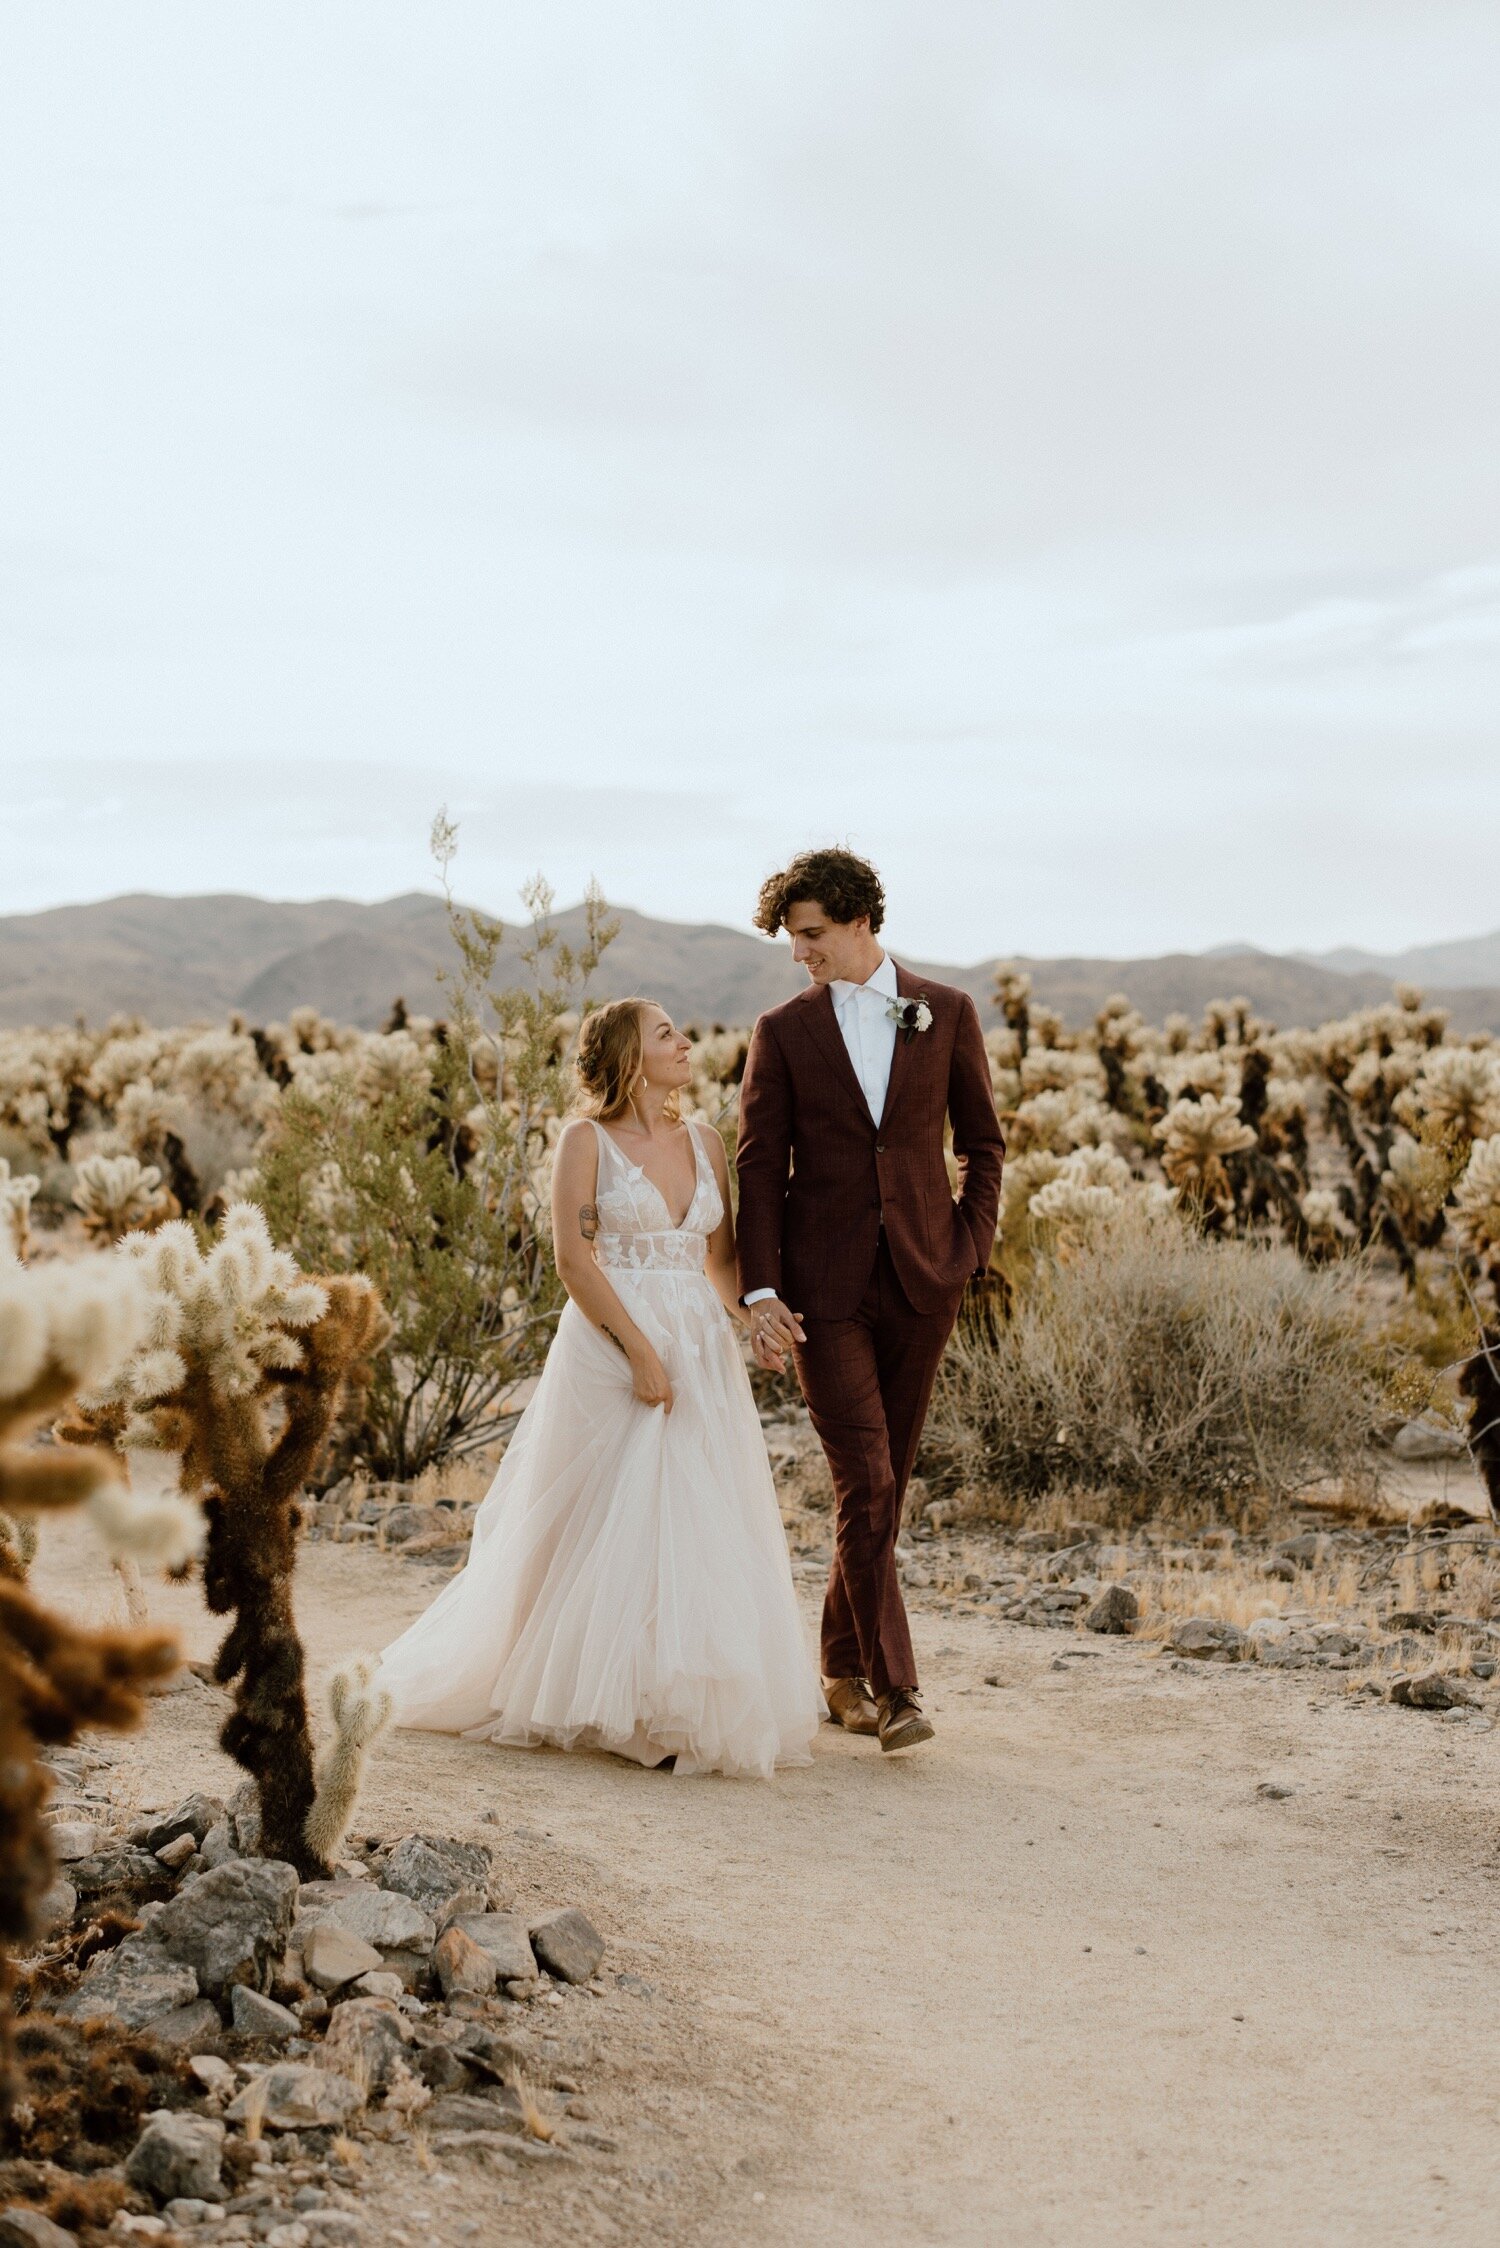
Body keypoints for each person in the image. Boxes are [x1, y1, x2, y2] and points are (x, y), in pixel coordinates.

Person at [374, 996, 821, 1779]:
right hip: (612, 1342)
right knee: (599, 1515)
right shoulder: (584, 1140)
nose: (685, 1043)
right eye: (666, 1035)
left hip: (698, 1344)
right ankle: (584, 1692)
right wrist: (641, 1352)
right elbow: (575, 1262)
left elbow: (717, 1261)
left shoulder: (708, 1142)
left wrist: (753, 1318)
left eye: (681, 1030)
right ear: (627, 1057)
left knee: (693, 1515)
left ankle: (669, 1698)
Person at [736, 848, 1004, 1752]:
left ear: (859, 922)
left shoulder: (949, 1011)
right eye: (790, 939)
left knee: (880, 1494)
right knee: (870, 1477)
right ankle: (898, 1693)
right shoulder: (783, 1031)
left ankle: (838, 1669)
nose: (798, 954)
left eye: (810, 935)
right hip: (823, 1292)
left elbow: (985, 1146)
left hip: (926, 1279)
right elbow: (759, 1167)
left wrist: (969, 1248)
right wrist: (761, 1288)